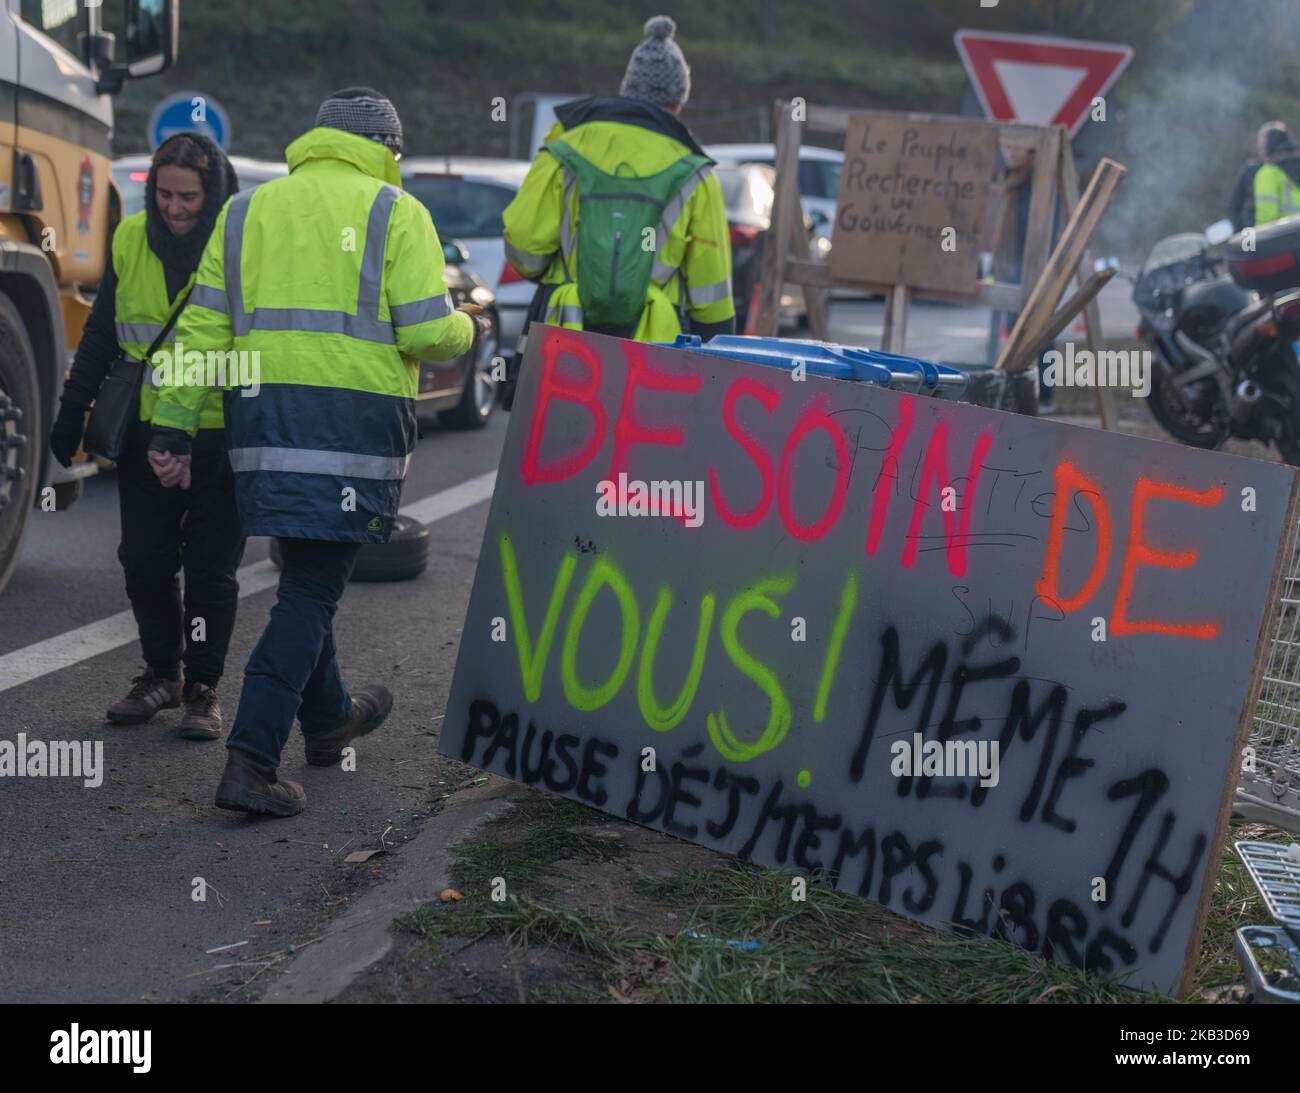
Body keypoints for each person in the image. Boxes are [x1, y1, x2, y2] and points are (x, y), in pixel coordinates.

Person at [149, 88, 490, 816]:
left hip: (262, 426)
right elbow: (429, 334)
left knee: (309, 568)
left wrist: (172, 427)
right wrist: (468, 326)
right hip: (350, 430)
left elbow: (201, 329)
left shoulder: (247, 210)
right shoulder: (397, 212)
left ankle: (331, 718)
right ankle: (251, 760)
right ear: (387, 151)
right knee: (311, 590)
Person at [50, 133, 243, 739]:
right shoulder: (131, 236)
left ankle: (202, 690)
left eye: (188, 196)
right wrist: (71, 408)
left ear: (211, 192)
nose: (174, 207)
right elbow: (105, 331)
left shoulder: (236, 242)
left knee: (212, 570)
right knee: (144, 561)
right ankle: (162, 673)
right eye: (163, 193)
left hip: (216, 433)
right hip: (144, 433)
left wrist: (187, 433)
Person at [502, 14, 734, 356]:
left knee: (561, 411)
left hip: (565, 337)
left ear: (627, 89)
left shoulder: (563, 149)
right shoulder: (696, 171)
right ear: (679, 100)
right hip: (654, 348)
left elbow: (525, 247)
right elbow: (710, 292)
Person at [1228, 121, 1287, 231]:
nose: (1264, 143)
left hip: (1284, 234)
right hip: (1253, 234)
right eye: (1263, 138)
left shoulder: (1290, 168)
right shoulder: (1250, 170)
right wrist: (1242, 235)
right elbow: (1235, 207)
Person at [1254, 126, 1300, 226]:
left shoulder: (1268, 172)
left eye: (1261, 147)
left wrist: (1258, 238)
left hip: (1286, 236)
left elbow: (1267, 216)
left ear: (1267, 148)